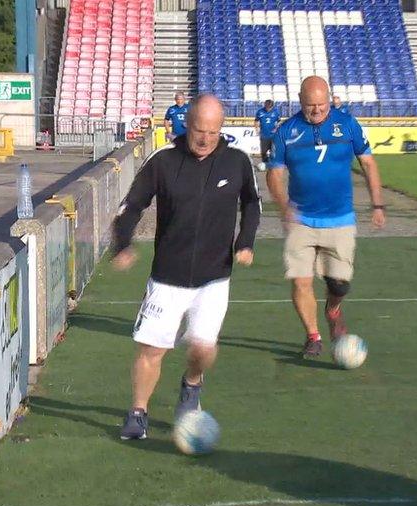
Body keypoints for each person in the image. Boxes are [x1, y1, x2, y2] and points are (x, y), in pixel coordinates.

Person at [113, 95, 262, 440]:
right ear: (187, 124)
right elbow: (132, 205)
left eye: (213, 132)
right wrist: (123, 244)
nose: (205, 139)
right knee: (152, 349)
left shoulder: (236, 161)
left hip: (214, 278)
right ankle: (138, 412)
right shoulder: (163, 161)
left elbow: (252, 204)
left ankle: (192, 385)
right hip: (168, 277)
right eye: (199, 130)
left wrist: (245, 242)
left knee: (202, 350)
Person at [266, 76, 386, 358]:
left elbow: (367, 162)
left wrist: (377, 205)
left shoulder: (347, 124)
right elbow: (274, 173)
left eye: (321, 104)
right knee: (301, 279)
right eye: (310, 105)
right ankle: (313, 336)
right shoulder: (287, 132)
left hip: (340, 218)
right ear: (299, 100)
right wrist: (284, 207)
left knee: (340, 283)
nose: (316, 110)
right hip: (301, 220)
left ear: (329, 99)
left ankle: (333, 308)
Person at [254, 99, 281, 169]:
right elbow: (256, 121)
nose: (268, 109)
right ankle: (265, 164)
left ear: (272, 107)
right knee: (263, 152)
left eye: (270, 107)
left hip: (273, 135)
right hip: (264, 135)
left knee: (273, 151)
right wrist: (257, 129)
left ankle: (273, 164)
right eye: (267, 107)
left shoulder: (276, 112)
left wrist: (276, 129)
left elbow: (278, 122)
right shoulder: (260, 112)